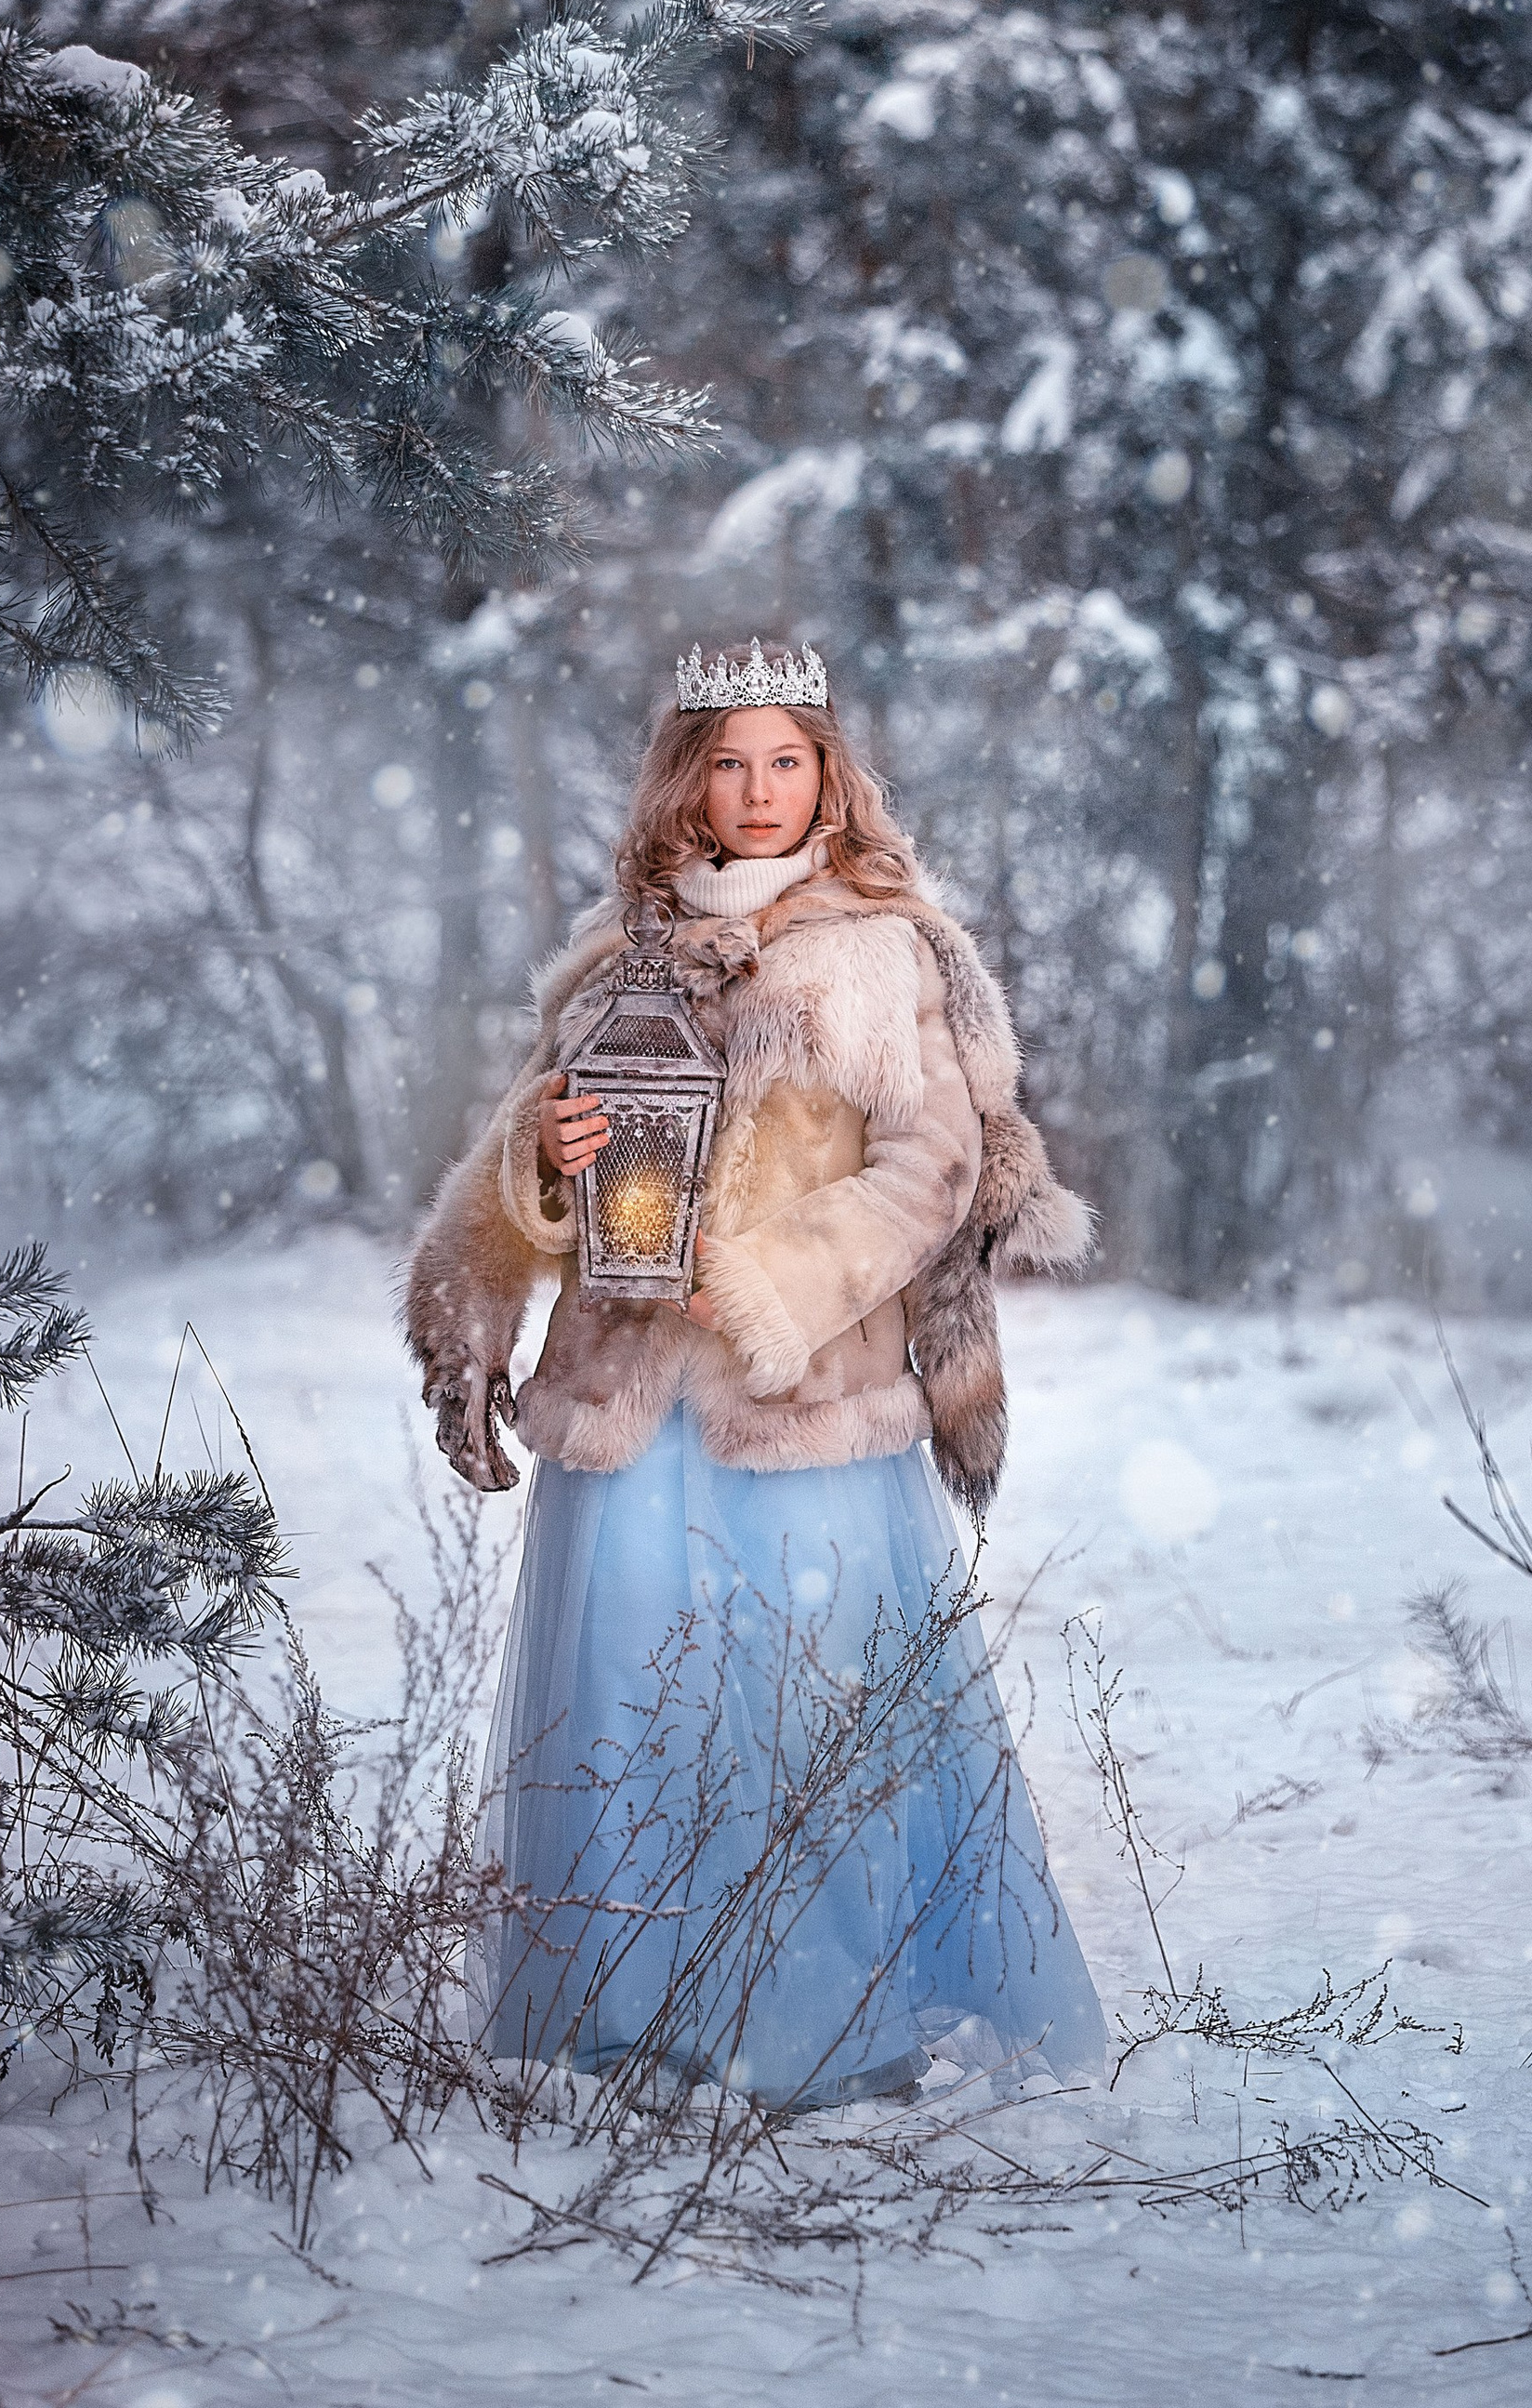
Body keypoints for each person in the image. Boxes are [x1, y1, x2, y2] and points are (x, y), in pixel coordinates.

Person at [404, 638, 1105, 2108]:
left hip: (802, 1401)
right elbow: (526, 1158)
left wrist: (775, 1284)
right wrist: (552, 1158)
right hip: (626, 1400)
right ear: (686, 781)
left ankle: (819, 2019)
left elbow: (937, 1168)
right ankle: (640, 2012)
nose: (758, 790)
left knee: (799, 1709)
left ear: (830, 775)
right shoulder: (616, 959)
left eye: (787, 760)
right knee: (632, 1706)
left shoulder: (881, 949)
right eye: (728, 762)